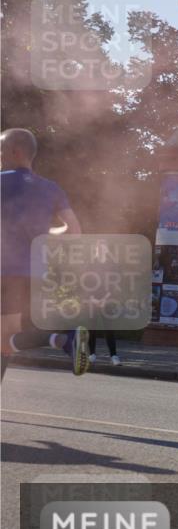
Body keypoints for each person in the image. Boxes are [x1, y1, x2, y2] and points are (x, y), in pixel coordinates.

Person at [0, 128, 88, 380]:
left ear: (14, 152)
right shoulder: (51, 188)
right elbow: (74, 230)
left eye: (0, 149)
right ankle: (61, 339)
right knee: (6, 342)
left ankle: (62, 338)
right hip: (34, 274)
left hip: (4, 271)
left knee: (4, 340)